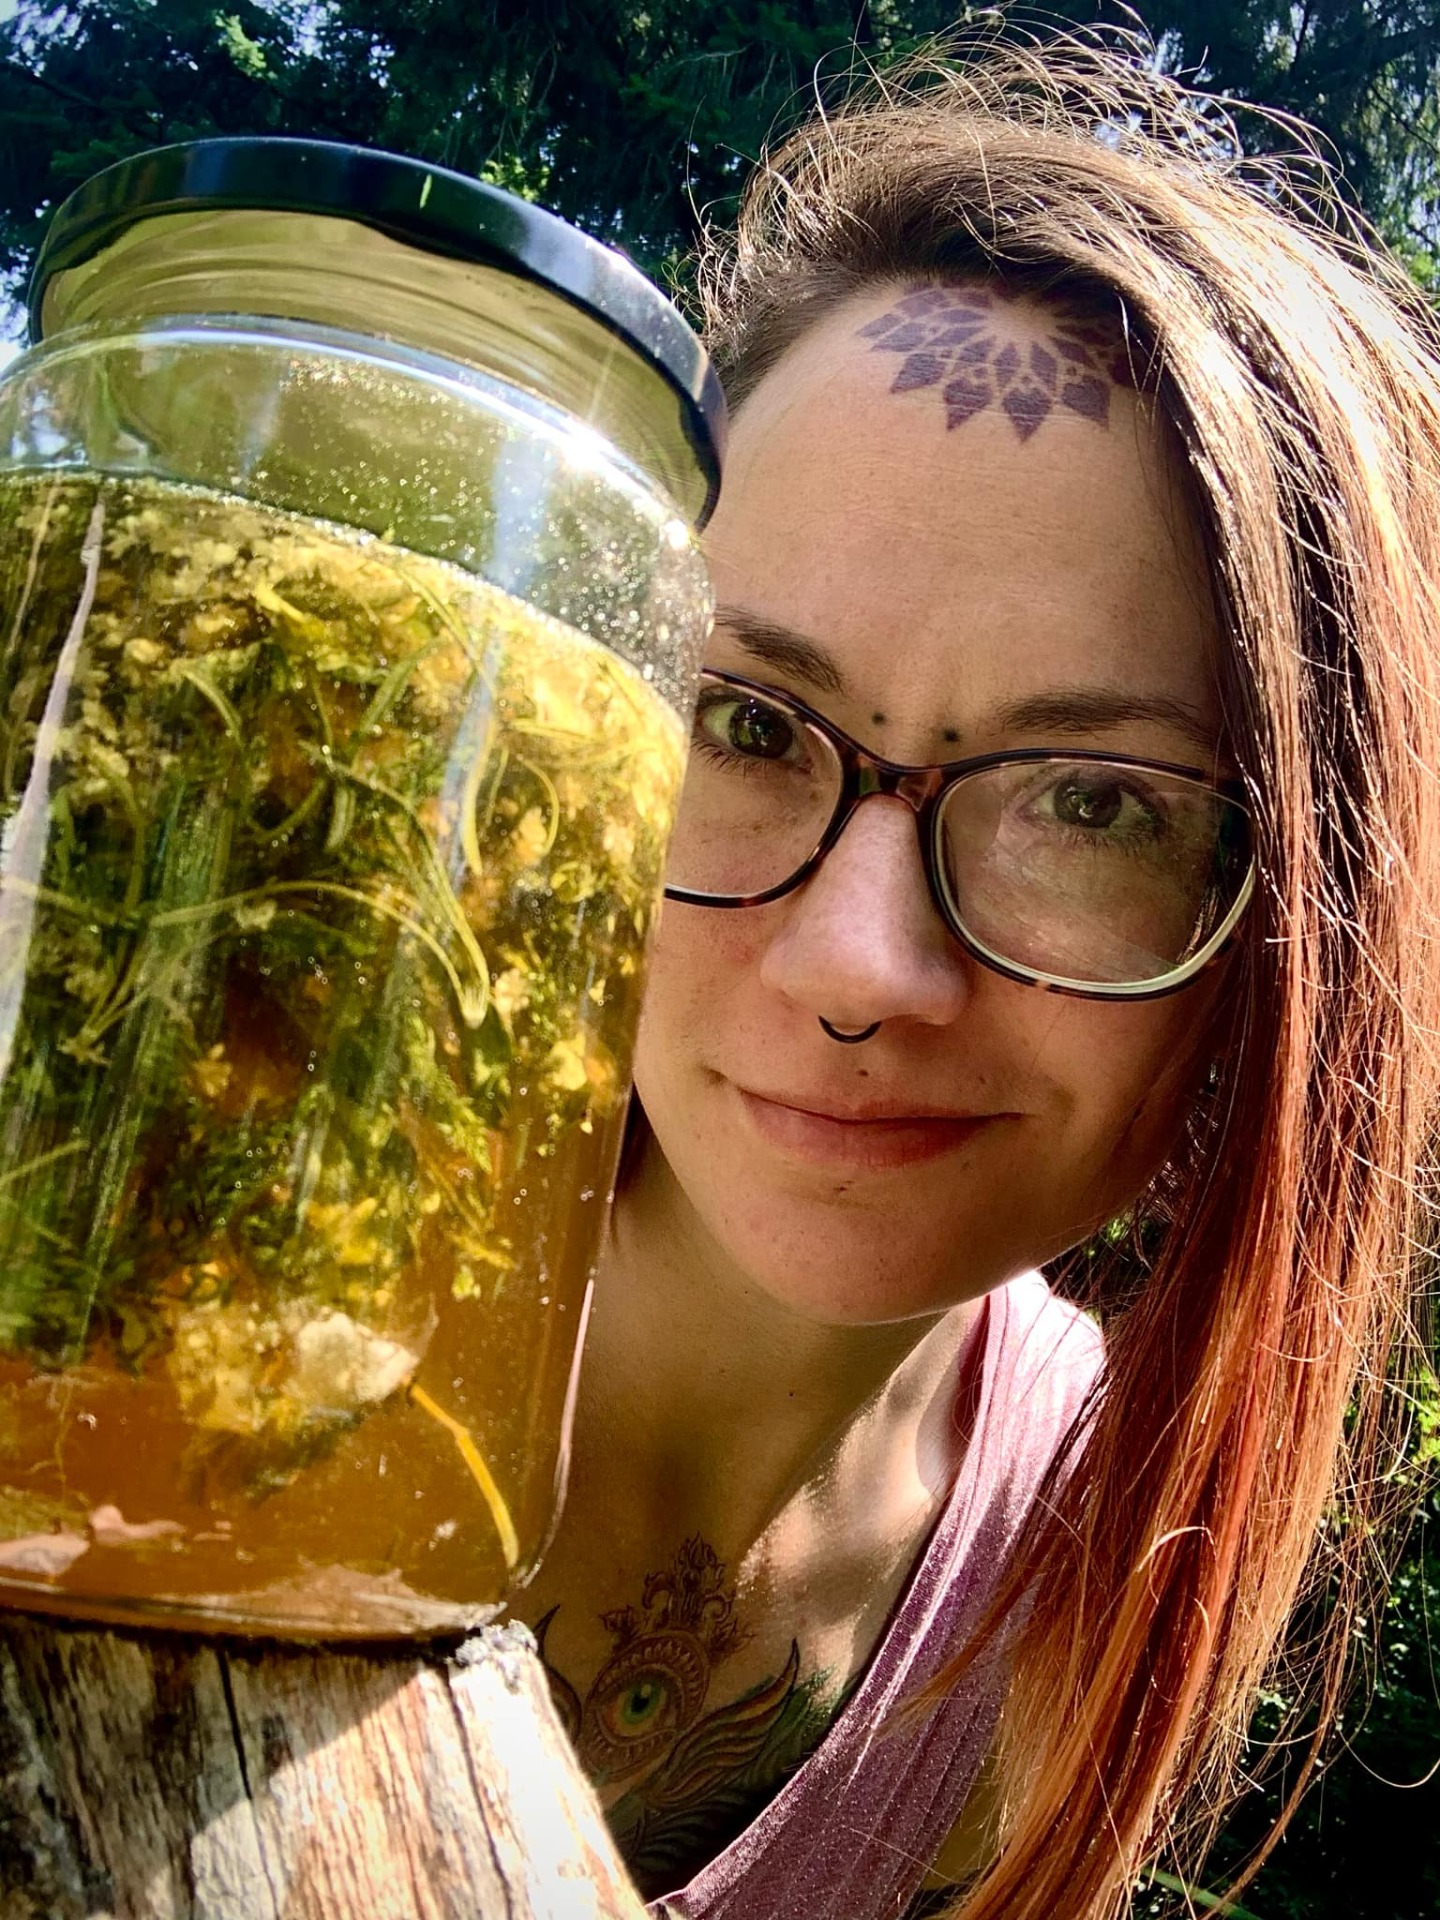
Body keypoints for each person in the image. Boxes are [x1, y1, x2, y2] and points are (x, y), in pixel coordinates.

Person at [515, 31, 1440, 1920]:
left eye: (1094, 803)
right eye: (746, 721)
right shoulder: (150, 1239)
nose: (860, 967)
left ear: (1304, 932)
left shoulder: (1085, 1560)